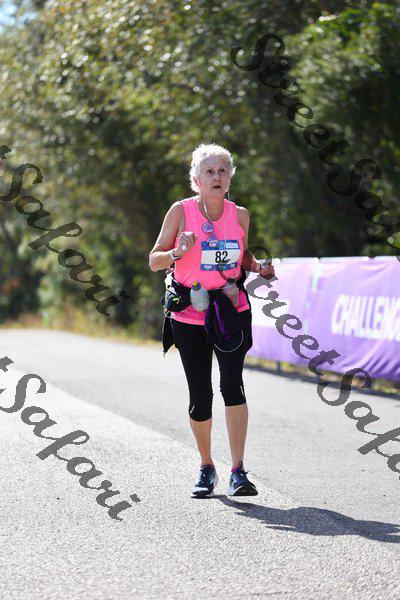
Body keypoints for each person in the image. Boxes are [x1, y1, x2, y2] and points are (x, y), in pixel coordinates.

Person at [149, 143, 274, 498]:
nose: (216, 177)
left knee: (232, 385)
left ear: (230, 177)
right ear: (196, 179)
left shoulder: (240, 215)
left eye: (222, 171)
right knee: (200, 395)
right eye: (209, 172)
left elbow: (242, 255)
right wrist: (177, 252)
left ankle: (238, 471)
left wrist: (259, 267)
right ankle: (206, 466)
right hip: (189, 314)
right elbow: (154, 260)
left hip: (230, 311)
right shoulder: (181, 211)